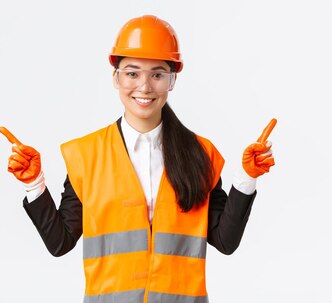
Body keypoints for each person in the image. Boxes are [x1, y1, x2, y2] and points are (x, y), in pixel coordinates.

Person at [0, 15, 276, 303]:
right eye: (132, 73)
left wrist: (247, 177)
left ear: (171, 81)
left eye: (157, 74)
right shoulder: (87, 155)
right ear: (116, 77)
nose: (144, 86)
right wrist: (34, 183)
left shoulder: (199, 154)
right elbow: (60, 242)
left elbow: (224, 241)